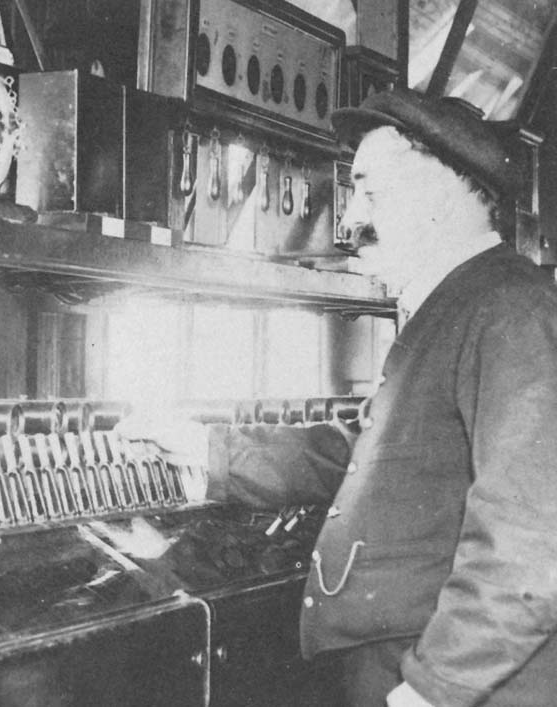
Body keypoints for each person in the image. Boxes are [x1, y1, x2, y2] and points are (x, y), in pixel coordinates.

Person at [118, 88, 557, 707]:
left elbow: (534, 539)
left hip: (456, 678)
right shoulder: (455, 305)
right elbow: (368, 454)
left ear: (441, 194)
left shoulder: (509, 308)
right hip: (407, 660)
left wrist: (434, 688)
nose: (351, 221)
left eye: (372, 192)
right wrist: (210, 451)